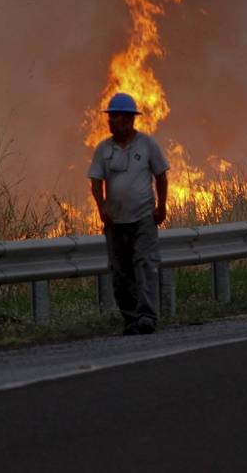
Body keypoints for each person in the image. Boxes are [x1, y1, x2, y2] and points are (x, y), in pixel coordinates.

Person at [87, 92, 169, 335]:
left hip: (143, 217)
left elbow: (161, 176)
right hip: (115, 221)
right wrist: (102, 207)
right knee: (121, 272)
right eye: (111, 116)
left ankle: (147, 317)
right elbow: (95, 182)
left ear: (130, 119)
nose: (112, 121)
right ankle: (131, 319)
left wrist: (161, 206)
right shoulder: (103, 149)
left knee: (145, 265)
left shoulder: (147, 145)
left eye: (117, 116)